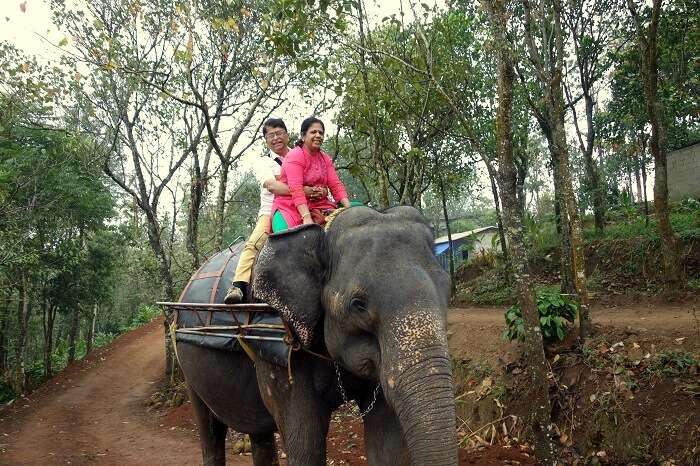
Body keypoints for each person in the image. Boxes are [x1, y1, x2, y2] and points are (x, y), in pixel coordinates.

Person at [224, 118, 329, 304]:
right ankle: (238, 285)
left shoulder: (302, 155)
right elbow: (273, 186)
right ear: (266, 140)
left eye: (279, 133)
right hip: (273, 210)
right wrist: (306, 190)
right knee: (255, 242)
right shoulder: (264, 162)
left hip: (305, 207)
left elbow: (320, 180)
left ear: (287, 135)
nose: (276, 138)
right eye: (270, 135)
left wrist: (321, 191)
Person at [270, 116, 351, 232]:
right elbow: (296, 189)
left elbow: (335, 185)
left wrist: (349, 209)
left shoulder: (325, 158)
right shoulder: (295, 156)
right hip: (291, 207)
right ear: (303, 136)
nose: (318, 135)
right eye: (313, 132)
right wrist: (307, 218)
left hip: (320, 204)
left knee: (357, 211)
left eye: (321, 133)